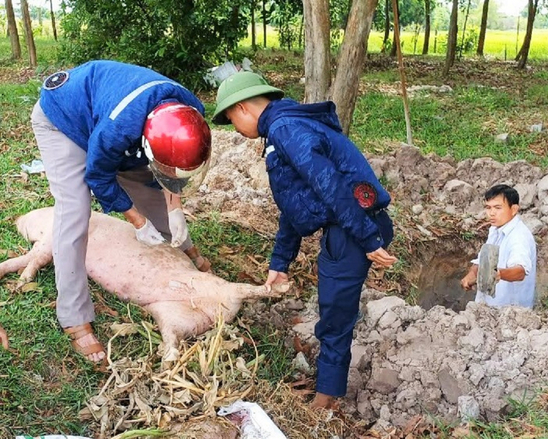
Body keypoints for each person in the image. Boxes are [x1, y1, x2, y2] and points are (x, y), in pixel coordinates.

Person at [212, 71, 398, 409]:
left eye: (232, 122)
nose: (238, 132)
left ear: (242, 109)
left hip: (351, 230)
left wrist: (369, 240)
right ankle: (329, 390)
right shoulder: (288, 124)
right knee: (335, 310)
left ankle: (326, 400)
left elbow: (331, 187)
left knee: (335, 316)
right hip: (354, 225)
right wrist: (280, 262)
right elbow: (295, 201)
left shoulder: (285, 130)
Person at [31, 60, 213, 363]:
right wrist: (138, 222)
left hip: (116, 123)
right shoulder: (117, 130)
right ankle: (74, 317)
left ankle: (185, 254)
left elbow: (170, 166)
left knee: (155, 201)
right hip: (63, 118)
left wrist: (175, 207)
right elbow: (98, 177)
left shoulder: (190, 112)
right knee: (74, 211)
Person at [461, 184, 537, 308]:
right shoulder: (495, 230)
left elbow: (520, 272)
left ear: (513, 209)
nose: (491, 213)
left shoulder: (518, 236)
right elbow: (483, 260)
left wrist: (498, 274)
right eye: (488, 207)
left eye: (497, 208)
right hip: (487, 310)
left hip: (510, 315)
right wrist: (472, 274)